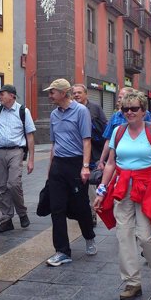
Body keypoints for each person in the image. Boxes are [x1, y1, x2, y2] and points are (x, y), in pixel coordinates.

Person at [94, 91, 151, 300]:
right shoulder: (118, 132)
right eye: (125, 109)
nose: (129, 112)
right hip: (122, 189)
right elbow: (112, 163)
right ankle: (132, 282)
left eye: (134, 109)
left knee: (146, 236)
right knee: (124, 236)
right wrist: (101, 190)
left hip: (148, 188)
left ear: (143, 111)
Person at [44, 78, 97, 266]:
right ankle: (62, 251)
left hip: (75, 164)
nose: (49, 95)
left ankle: (89, 237)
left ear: (63, 93)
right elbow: (54, 143)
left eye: (52, 92)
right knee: (56, 208)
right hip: (59, 164)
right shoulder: (53, 115)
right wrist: (50, 169)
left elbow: (86, 140)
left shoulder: (81, 111)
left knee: (81, 206)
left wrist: (85, 166)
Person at [0, 84, 36, 233]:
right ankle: (6, 219)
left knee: (13, 184)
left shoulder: (23, 111)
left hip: (16, 151)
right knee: (0, 186)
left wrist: (31, 159)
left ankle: (22, 213)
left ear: (12, 95)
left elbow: (30, 136)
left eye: (2, 94)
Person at [72, 83, 107, 226]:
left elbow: (104, 129)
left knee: (91, 184)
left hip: (93, 153)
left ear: (86, 94)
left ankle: (92, 213)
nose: (77, 95)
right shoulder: (70, 109)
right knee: (78, 184)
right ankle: (81, 211)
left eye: (79, 92)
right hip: (76, 152)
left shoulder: (95, 108)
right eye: (74, 93)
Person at [98, 87, 151, 169]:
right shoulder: (116, 116)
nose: (119, 99)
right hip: (118, 159)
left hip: (140, 160)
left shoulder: (144, 114)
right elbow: (108, 140)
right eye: (119, 97)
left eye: (121, 97)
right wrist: (101, 160)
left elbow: (150, 134)